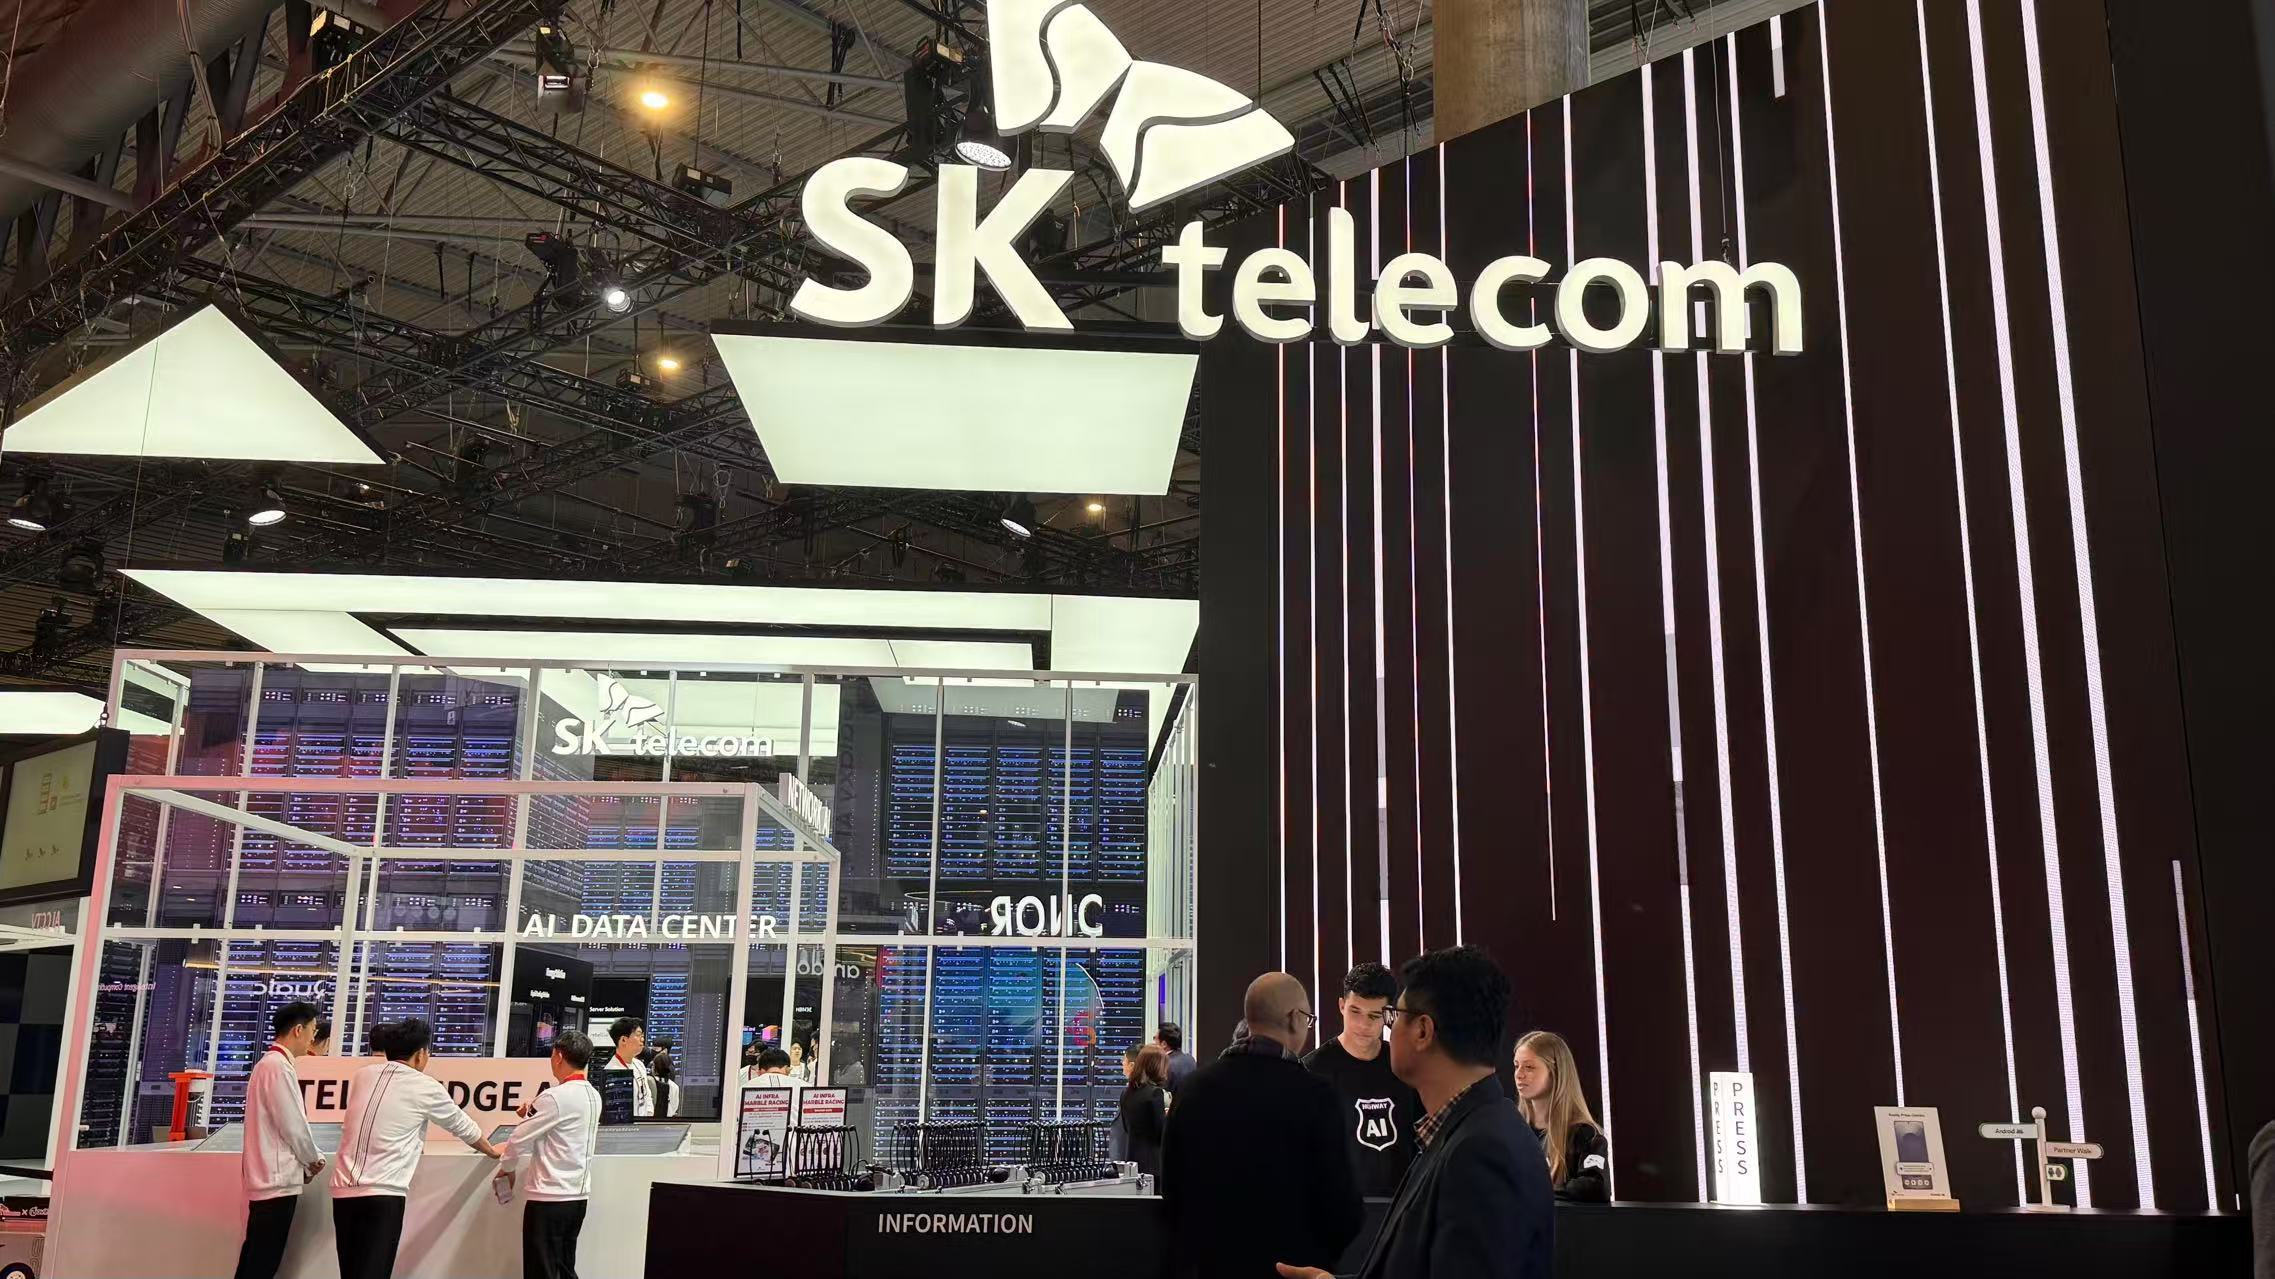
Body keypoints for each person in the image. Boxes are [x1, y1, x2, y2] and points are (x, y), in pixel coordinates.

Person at [1278, 946, 1552, 1279]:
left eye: (1393, 1016)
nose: (1379, 1026)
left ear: (1422, 1031)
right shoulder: (1471, 1131)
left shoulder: (1479, 1153)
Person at [1161, 973, 1359, 1279]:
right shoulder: (1317, 1096)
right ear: (1294, 1018)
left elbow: (1173, 1191)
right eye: (1308, 1019)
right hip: (1294, 1270)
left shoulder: (1192, 1090)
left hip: (1210, 1268)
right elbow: (1343, 1209)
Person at [330, 1017, 503, 1279]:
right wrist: (492, 1150)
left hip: (343, 1191)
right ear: (421, 1054)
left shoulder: (363, 1076)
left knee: (351, 1272)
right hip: (383, 1191)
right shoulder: (424, 1085)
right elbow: (462, 1125)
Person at [1304, 963, 1424, 1199]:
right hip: (1337, 1209)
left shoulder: (1406, 1067)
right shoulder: (1311, 1071)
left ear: (1388, 1014)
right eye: (1355, 1011)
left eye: (1374, 1015)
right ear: (1341, 1006)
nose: (1363, 1024)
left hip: (1401, 1206)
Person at [496, 1029, 602, 1279]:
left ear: (559, 1055)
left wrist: (507, 1169)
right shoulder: (592, 1095)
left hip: (549, 1198)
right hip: (577, 1198)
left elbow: (518, 1138)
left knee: (541, 1270)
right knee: (564, 1268)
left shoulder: (555, 1097)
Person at [233, 1001, 326, 1279]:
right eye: (312, 1030)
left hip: (267, 1179)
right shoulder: (278, 1068)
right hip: (275, 1182)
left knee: (256, 1259)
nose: (313, 1037)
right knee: (262, 1263)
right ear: (298, 1030)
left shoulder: (270, 1065)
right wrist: (313, 1160)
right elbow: (293, 1126)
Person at [1513, 1030, 1609, 1203]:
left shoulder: (1584, 1135)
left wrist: (1538, 1190)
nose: (1519, 1074)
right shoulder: (1510, 1131)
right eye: (1516, 1066)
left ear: (1555, 1073)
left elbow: (1595, 1186)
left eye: (1529, 1067)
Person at [1117, 1042, 1169, 1179]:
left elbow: (1126, 1127)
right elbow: (1161, 1132)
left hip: (1132, 1162)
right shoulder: (1155, 1093)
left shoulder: (1126, 1093)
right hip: (1153, 1164)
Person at [603, 1017, 655, 1118]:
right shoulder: (612, 1071)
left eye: (642, 1036)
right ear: (623, 1040)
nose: (642, 1039)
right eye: (638, 1035)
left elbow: (647, 1096)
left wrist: (649, 1117)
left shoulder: (639, 1064)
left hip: (644, 1122)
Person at [1157, 1022, 1199, 1096]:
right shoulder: (1190, 1059)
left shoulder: (1165, 1065)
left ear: (1164, 1044)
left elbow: (1161, 1096)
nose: (1153, 1043)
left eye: (1155, 1039)